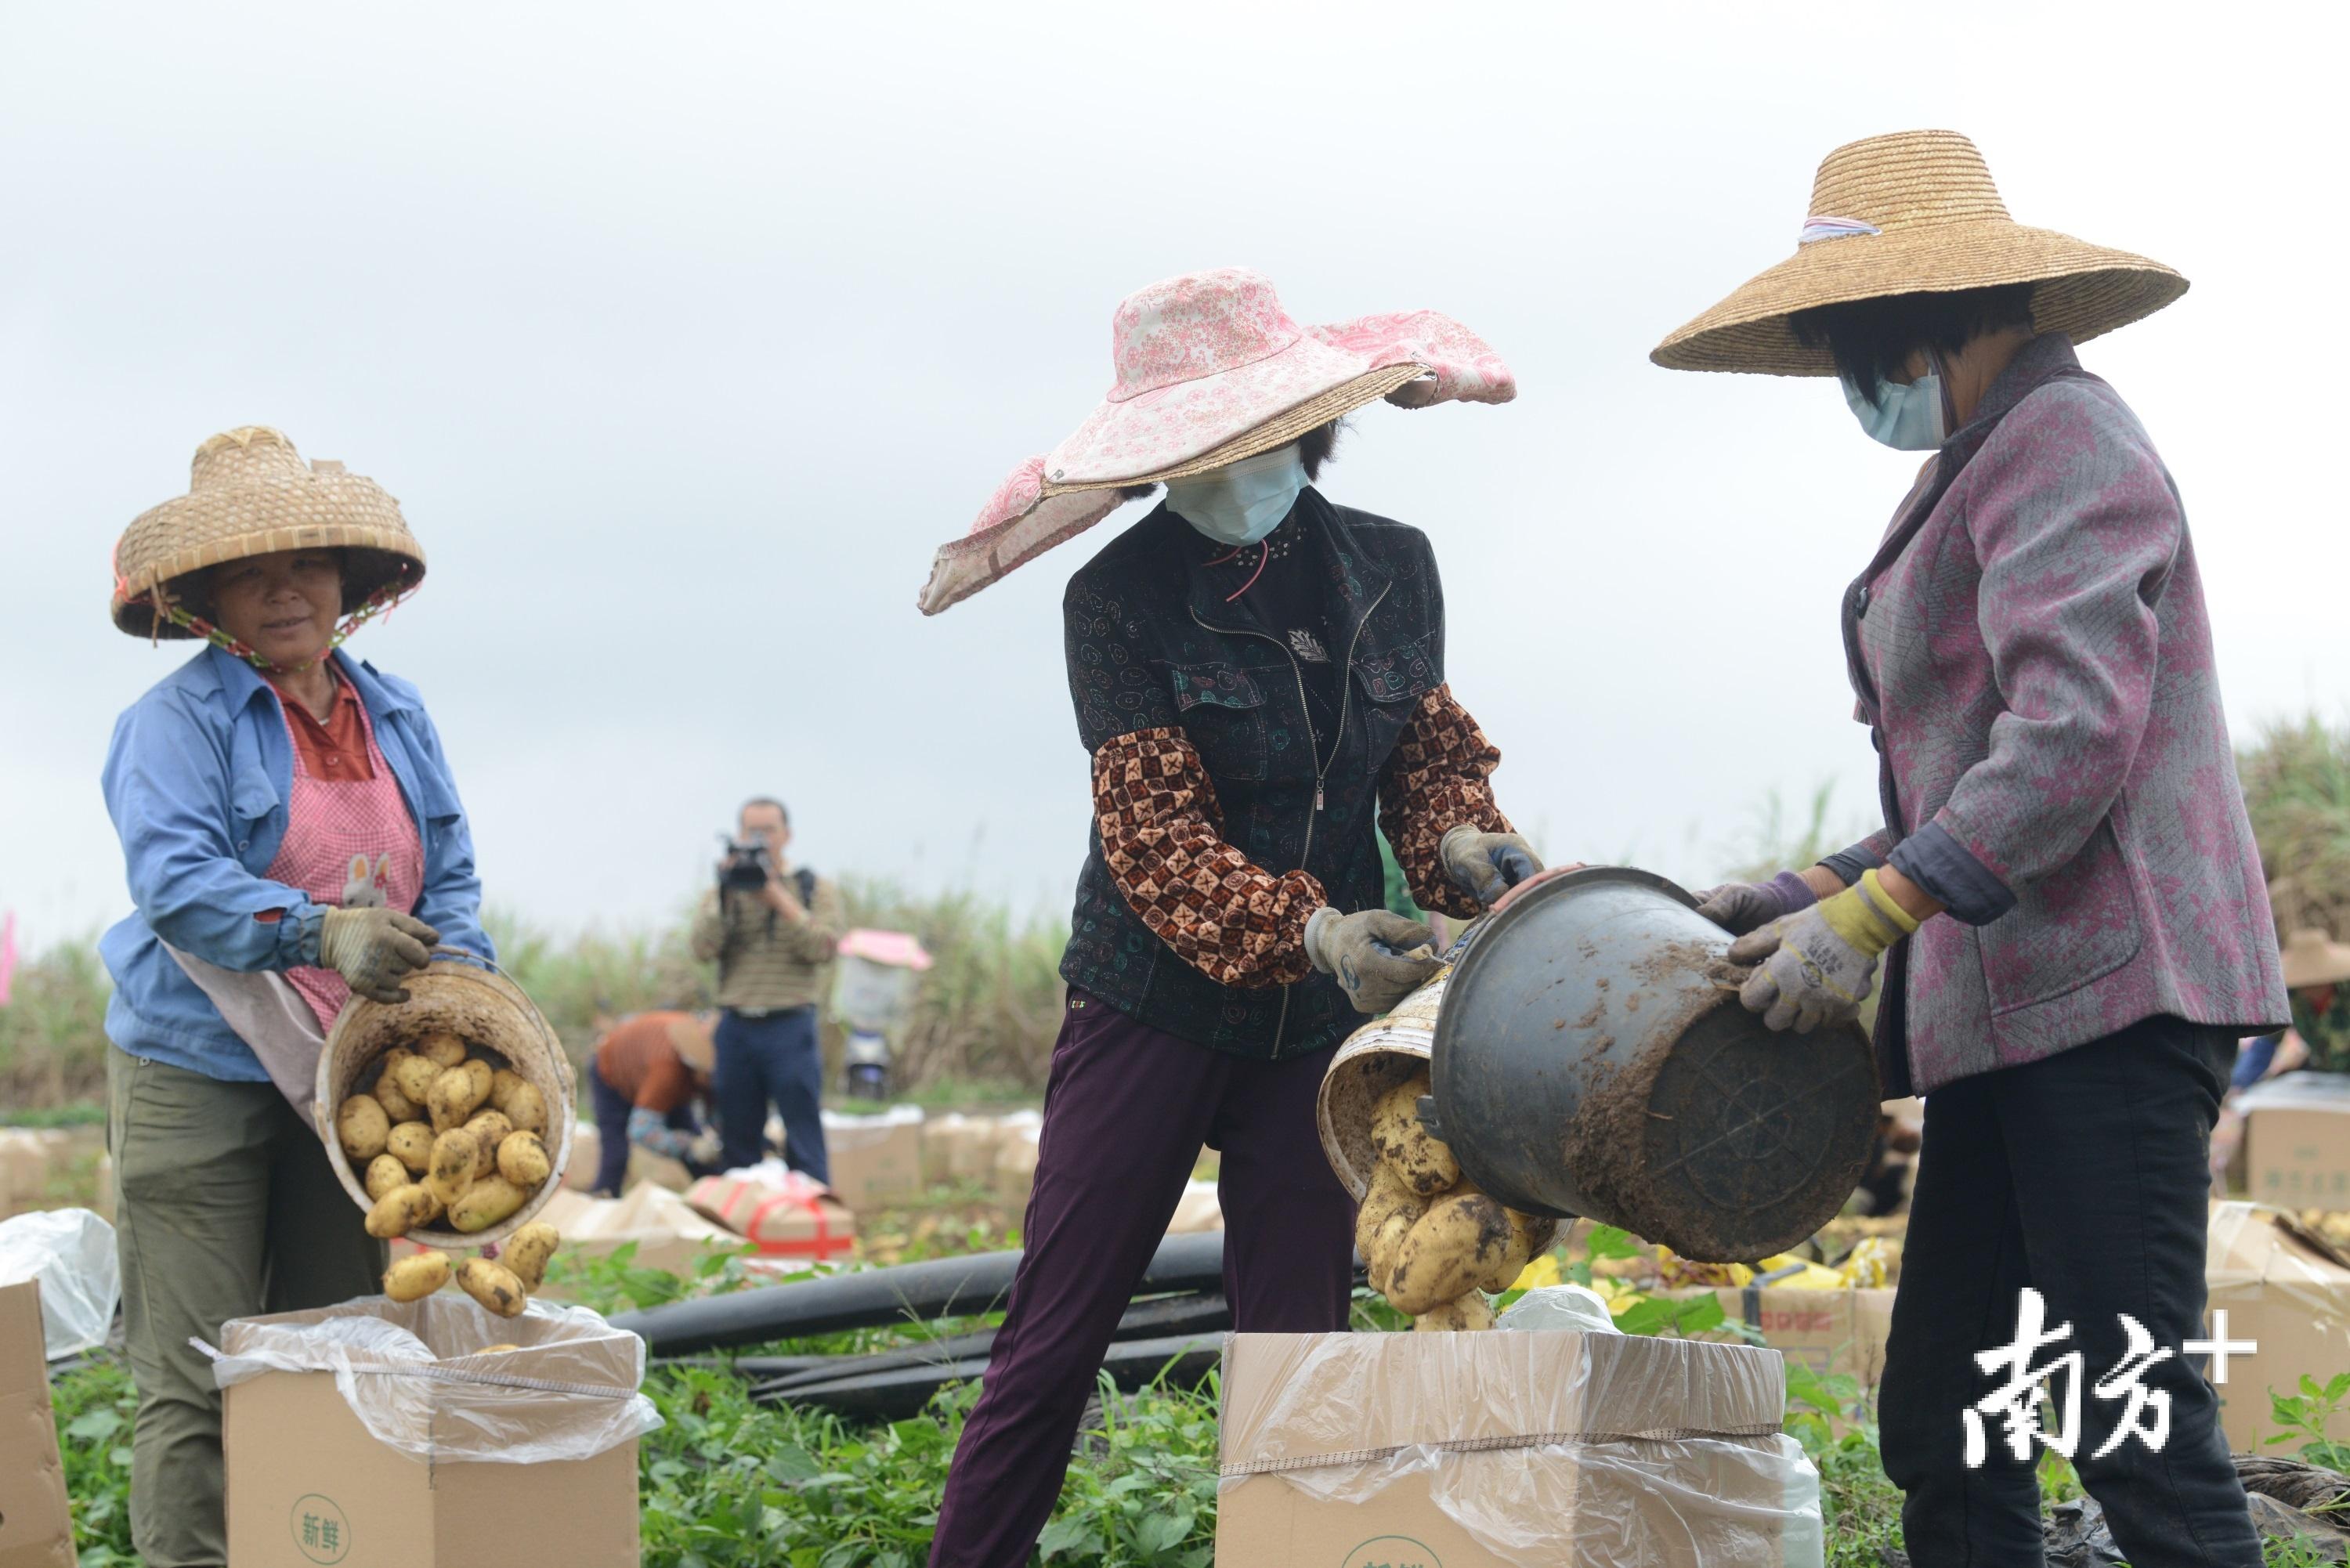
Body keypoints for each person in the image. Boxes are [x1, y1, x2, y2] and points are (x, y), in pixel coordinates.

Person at [1657, 132, 2287, 1567]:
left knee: (2130, 1412)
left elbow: (2071, 740)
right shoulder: (1987, 458)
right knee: (1952, 1407)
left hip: (2115, 1003)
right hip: (2015, 1019)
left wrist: (1874, 920)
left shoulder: (2067, 443)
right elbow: (1958, 791)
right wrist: (1785, 898)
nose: (1851, 385)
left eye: (1853, 348)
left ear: (1930, 313)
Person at [916, 267, 1538, 1566]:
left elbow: (1427, 757)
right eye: (1200, 449)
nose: (1231, 470)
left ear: (1310, 427)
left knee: (1300, 1345)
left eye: (1253, 439)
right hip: (1151, 1001)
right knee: (1056, 1332)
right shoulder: (1117, 601)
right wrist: (1314, 927)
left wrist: (1463, 840)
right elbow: (1158, 844)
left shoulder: (1390, 569)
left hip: (1319, 1027)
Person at [99, 426, 491, 1568]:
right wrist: (323, 929)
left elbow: (450, 874)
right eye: (255, 570)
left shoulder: (397, 712)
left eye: (309, 564)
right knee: (193, 1371)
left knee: (340, 1347)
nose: (286, 590)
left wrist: (463, 998)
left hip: (349, 1076)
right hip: (200, 1069)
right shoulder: (176, 724)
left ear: (345, 583)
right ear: (213, 594)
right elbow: (176, 882)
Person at [689, 797, 842, 1179]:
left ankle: (812, 1218)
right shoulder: (724, 891)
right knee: (737, 1136)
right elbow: (702, 950)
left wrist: (779, 899)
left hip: (790, 1024)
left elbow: (824, 948)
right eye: (750, 831)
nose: (758, 839)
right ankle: (744, 1225)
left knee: (802, 1130)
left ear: (786, 835)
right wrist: (726, 896)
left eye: (768, 831)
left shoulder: (812, 887)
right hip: (736, 1028)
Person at [586, 1009, 721, 1195]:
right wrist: (689, 1146)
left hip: (651, 1072)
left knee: (703, 1159)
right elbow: (642, 1131)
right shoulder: (666, 1071)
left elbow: (713, 1109)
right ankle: (603, 1199)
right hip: (612, 1074)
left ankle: (717, 1199)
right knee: (616, 1154)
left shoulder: (696, 1062)